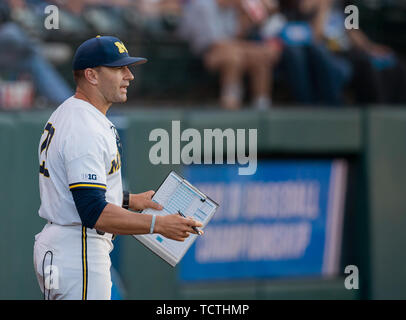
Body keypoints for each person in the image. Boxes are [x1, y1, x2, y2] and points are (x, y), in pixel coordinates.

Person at [32, 35, 203, 300]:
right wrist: (158, 224)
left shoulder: (71, 112)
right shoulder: (84, 127)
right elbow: (94, 213)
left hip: (65, 245)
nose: (129, 75)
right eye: (118, 68)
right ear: (91, 75)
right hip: (79, 248)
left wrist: (129, 200)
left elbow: (76, 191)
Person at [178, 0, 281, 110]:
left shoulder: (232, 9)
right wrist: (250, 49)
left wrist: (245, 19)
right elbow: (216, 42)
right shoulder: (202, 5)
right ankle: (230, 102)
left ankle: (262, 104)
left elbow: (235, 36)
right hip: (202, 55)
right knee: (234, 56)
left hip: (232, 49)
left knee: (259, 57)